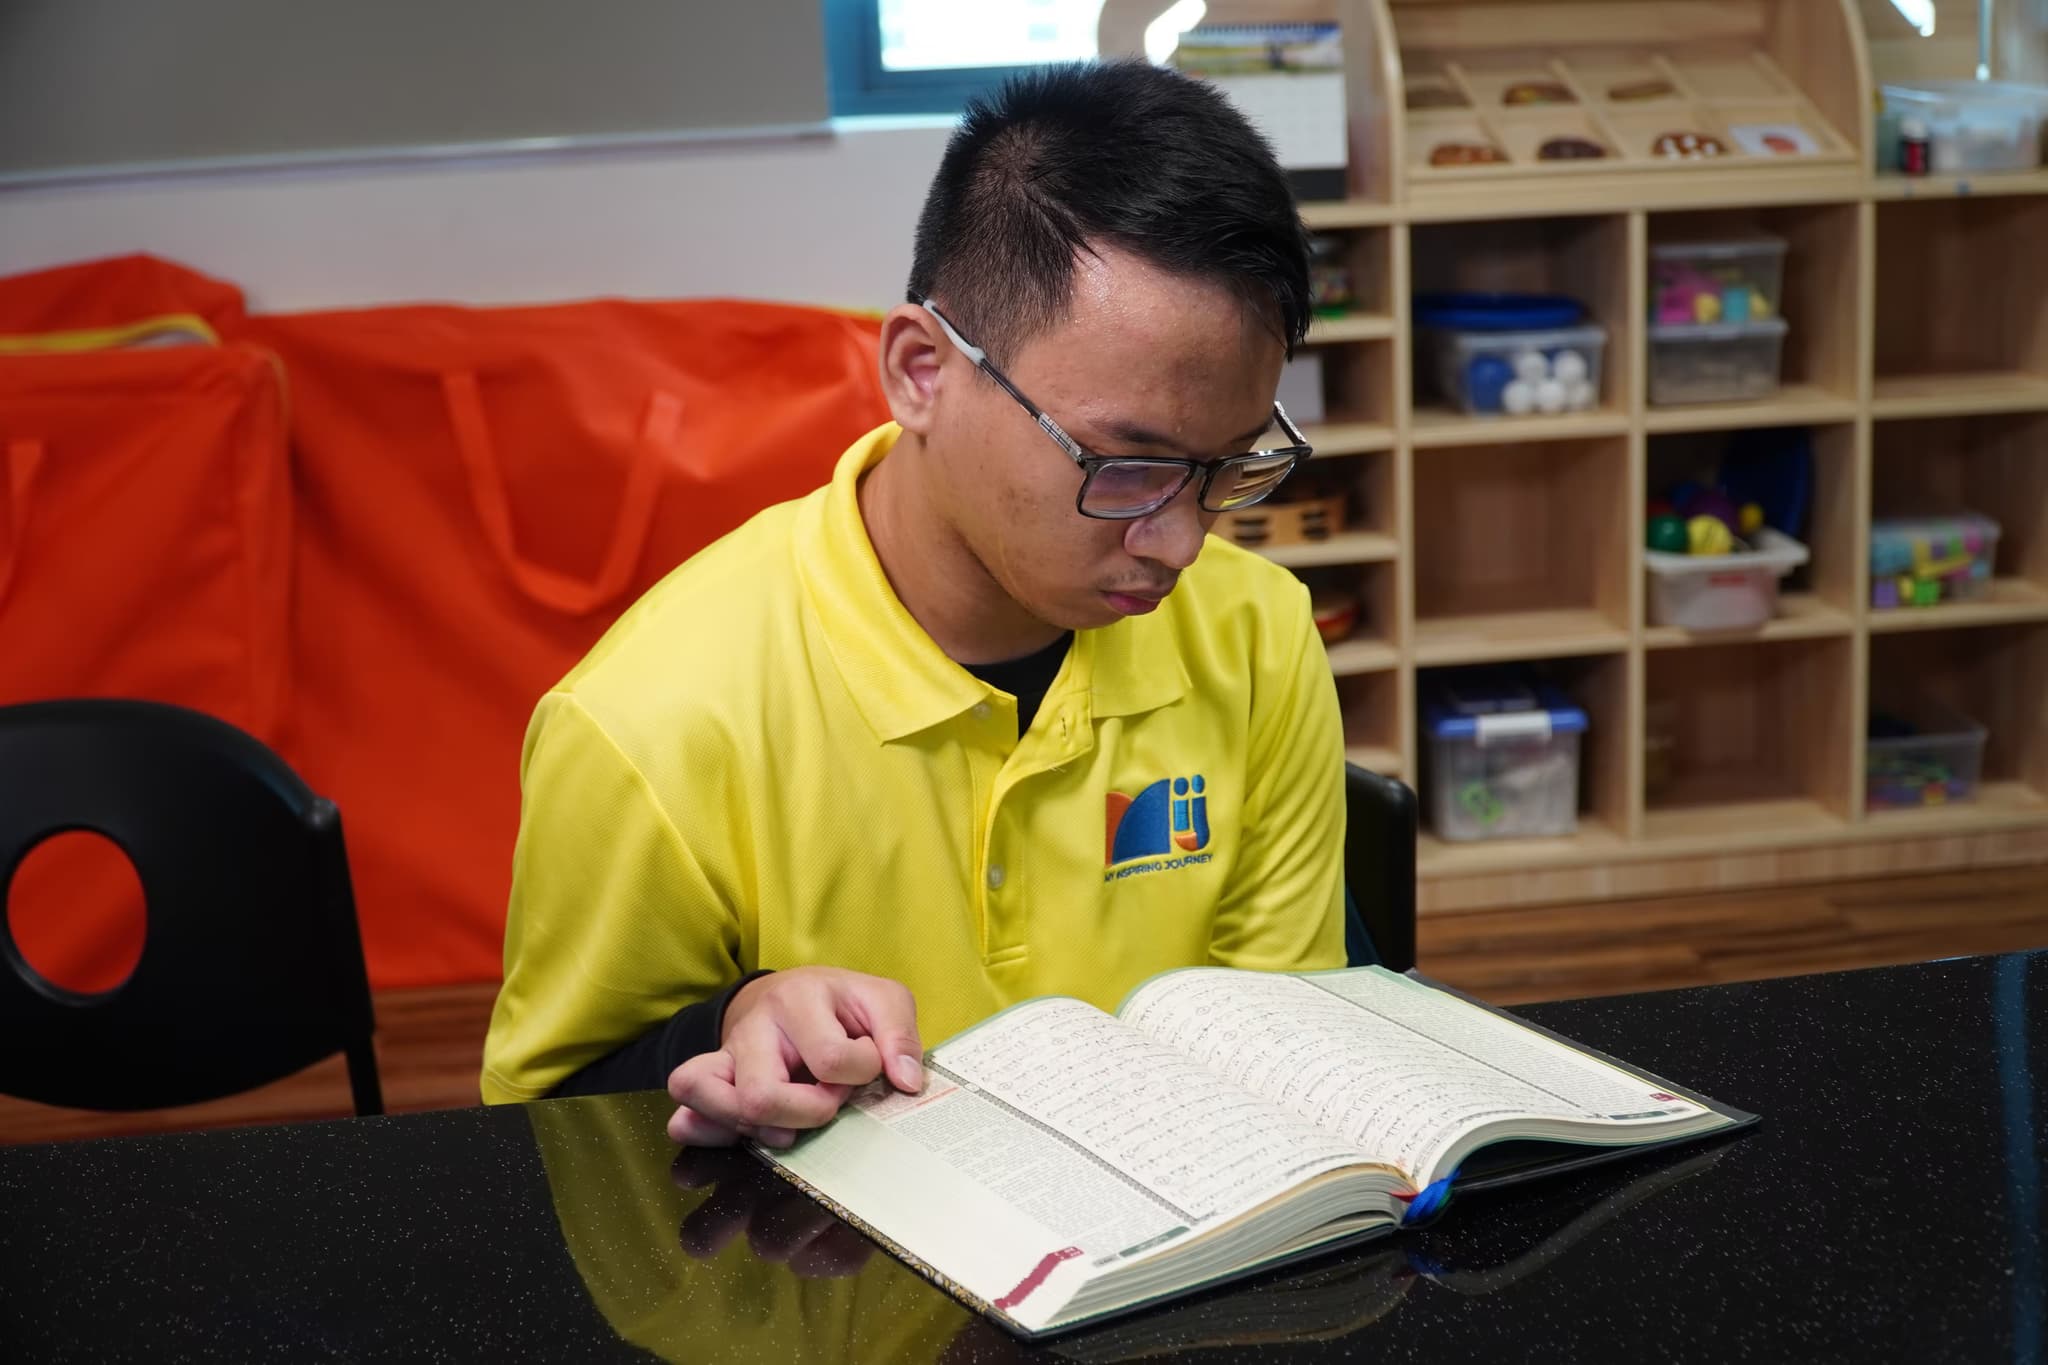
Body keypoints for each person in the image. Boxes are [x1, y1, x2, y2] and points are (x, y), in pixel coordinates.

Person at [479, 58, 1351, 1146]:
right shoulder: (650, 727)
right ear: (920, 371)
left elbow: (1283, 1045)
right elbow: (542, 1142)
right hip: (823, 1295)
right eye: (1122, 462)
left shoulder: (1256, 636)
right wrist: (725, 1026)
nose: (1178, 540)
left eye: (1230, 466)